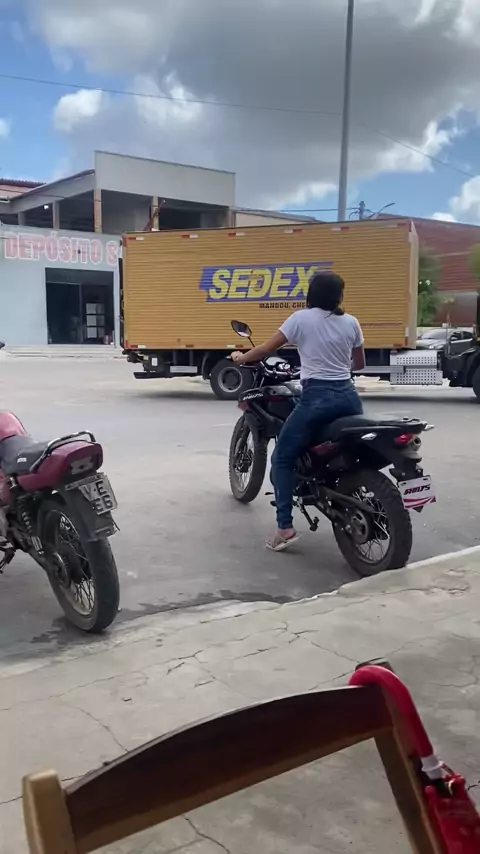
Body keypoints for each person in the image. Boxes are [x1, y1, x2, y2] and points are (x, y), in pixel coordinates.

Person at [232, 271, 366, 551]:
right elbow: (359, 364)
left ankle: (285, 528)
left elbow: (265, 349)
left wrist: (240, 357)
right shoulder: (351, 322)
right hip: (349, 398)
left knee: (282, 458)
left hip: (317, 398)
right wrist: (336, 368)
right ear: (339, 296)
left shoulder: (301, 319)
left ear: (311, 293)